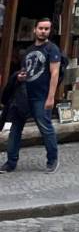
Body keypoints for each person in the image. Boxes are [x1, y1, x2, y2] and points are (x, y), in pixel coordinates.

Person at [1, 17, 61, 173]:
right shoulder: (28, 50)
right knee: (15, 129)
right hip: (24, 95)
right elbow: (26, 70)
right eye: (41, 28)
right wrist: (20, 77)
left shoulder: (52, 49)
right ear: (35, 30)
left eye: (46, 29)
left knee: (45, 128)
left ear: (50, 31)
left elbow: (54, 73)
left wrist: (51, 97)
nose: (43, 31)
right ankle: (11, 162)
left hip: (41, 96)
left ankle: (52, 160)